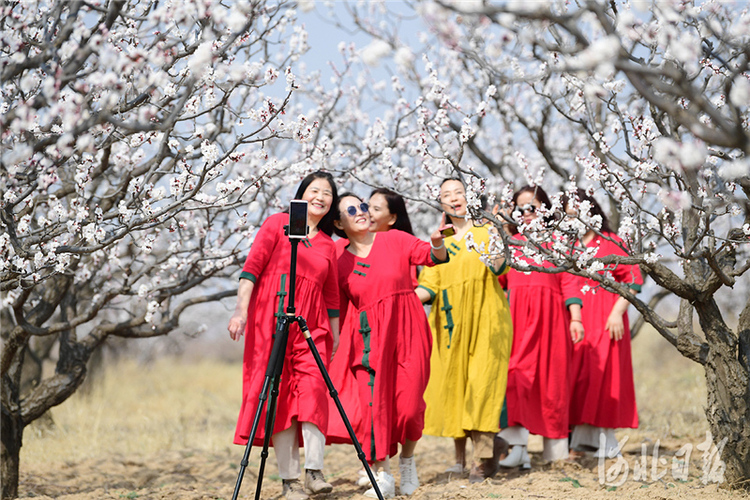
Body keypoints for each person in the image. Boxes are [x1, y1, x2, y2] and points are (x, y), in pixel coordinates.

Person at [228, 171, 340, 500]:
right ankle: (290, 482)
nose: (320, 197)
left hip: (312, 325)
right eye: (314, 190)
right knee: (279, 399)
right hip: (270, 320)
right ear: (301, 194)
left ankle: (314, 470)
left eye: (328, 193)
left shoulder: (328, 245)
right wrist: (240, 311)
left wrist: (334, 337)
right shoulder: (278, 224)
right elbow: (252, 269)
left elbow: (332, 299)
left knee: (314, 390)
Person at [330, 192, 449, 498]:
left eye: (363, 206)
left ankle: (407, 461)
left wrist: (437, 240)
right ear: (339, 223)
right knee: (374, 408)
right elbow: (340, 310)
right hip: (368, 339)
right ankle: (381, 473)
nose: (361, 211)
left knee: (409, 408)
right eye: (351, 209)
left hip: (409, 331)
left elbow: (434, 256)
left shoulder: (394, 239)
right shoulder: (340, 262)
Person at [415, 177, 513, 483]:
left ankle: (482, 460)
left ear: (470, 198)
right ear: (441, 203)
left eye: (459, 192)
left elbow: (499, 268)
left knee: (481, 387)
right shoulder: (439, 242)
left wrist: (498, 235)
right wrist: (401, 301)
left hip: (487, 319)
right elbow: (428, 286)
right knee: (455, 388)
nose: (454, 197)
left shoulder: (486, 231)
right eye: (447, 194)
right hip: (449, 325)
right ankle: (469, 456)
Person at [498, 185, 584, 467]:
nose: (526, 214)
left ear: (545, 210)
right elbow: (497, 279)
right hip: (516, 321)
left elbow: (570, 280)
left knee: (553, 383)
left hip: (552, 321)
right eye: (520, 209)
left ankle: (555, 452)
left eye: (532, 207)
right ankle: (517, 448)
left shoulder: (558, 241)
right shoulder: (510, 244)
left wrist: (575, 317)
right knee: (514, 378)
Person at [562, 188, 643, 458]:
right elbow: (569, 283)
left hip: (607, 319)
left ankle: (606, 443)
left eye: (579, 210)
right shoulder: (567, 247)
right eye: (568, 212)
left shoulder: (612, 241)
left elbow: (632, 280)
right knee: (581, 379)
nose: (574, 217)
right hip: (578, 321)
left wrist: (617, 312)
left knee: (606, 379)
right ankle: (581, 443)